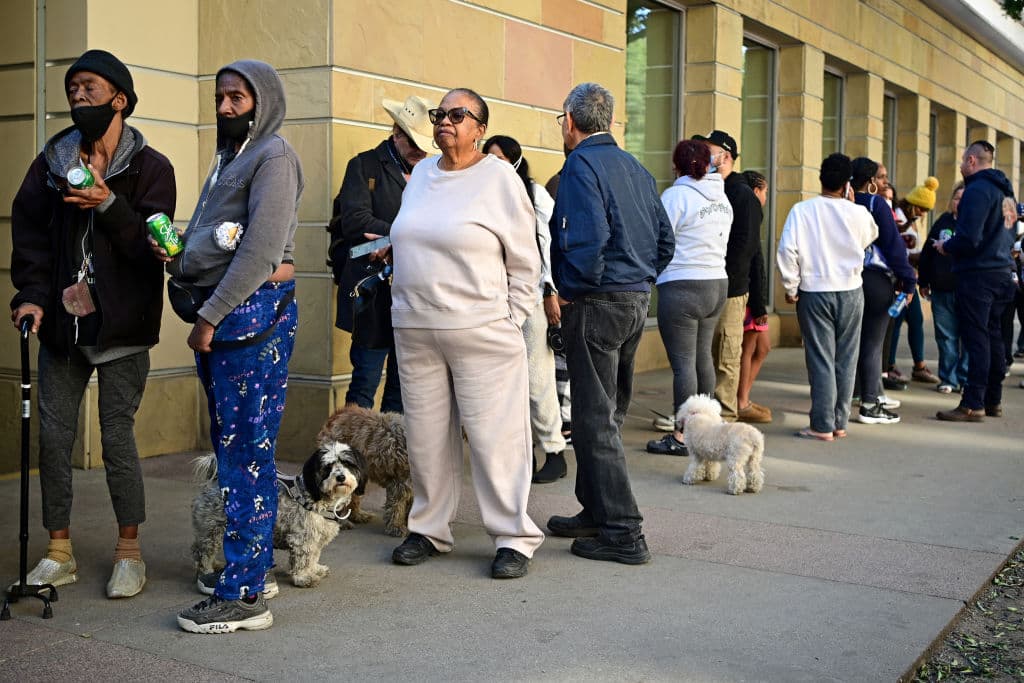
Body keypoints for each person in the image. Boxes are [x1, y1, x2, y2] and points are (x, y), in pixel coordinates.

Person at [10, 50, 176, 599]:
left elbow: (152, 248)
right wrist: (31, 296)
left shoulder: (151, 169)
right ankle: (59, 551)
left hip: (124, 328)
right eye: (72, 88)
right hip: (62, 325)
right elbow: (30, 231)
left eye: (90, 87)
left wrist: (108, 203)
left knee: (117, 440)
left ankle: (129, 552)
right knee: (54, 441)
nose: (78, 95)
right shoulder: (52, 161)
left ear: (119, 99)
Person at [161, 60, 303, 633]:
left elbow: (262, 252)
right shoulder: (232, 157)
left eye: (237, 98)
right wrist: (179, 258)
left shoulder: (274, 157)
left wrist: (210, 316)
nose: (224, 107)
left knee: (245, 451)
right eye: (220, 96)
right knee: (239, 450)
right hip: (228, 316)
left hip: (247, 319)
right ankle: (256, 566)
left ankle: (243, 594)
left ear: (262, 102)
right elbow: (214, 238)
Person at [387, 88, 543, 579]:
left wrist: (509, 320)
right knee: (426, 438)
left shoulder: (498, 179)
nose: (445, 122)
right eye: (440, 115)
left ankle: (514, 535)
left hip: (481, 329)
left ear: (479, 127)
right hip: (416, 327)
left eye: (458, 115)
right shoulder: (421, 176)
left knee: (496, 439)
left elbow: (525, 262)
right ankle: (429, 529)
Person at [547, 82, 674, 565]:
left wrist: (576, 289)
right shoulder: (634, 167)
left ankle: (623, 530)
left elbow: (587, 239)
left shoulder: (581, 164)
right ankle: (598, 511)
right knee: (605, 413)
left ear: (570, 120)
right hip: (633, 299)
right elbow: (664, 241)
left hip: (599, 301)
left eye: (561, 120)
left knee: (595, 420)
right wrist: (638, 280)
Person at [328, 95, 435, 414]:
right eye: (414, 142)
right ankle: (346, 456)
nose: (420, 150)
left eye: (424, 144)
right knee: (365, 380)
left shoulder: (430, 172)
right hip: (373, 292)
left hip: (414, 291)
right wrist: (405, 236)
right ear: (397, 133)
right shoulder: (364, 164)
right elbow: (355, 220)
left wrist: (397, 239)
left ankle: (389, 461)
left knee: (403, 386)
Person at [482, 134, 568, 484]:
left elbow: (547, 246)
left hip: (532, 298)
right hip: (495, 300)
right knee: (506, 383)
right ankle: (523, 453)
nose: (492, 165)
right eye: (488, 158)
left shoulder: (535, 195)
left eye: (499, 158)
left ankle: (554, 450)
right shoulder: (483, 194)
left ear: (515, 161)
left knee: (536, 379)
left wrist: (550, 291)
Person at [776, 154, 877, 441]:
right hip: (851, 290)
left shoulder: (802, 210)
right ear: (847, 183)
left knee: (821, 358)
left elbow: (787, 251)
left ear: (820, 178)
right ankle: (839, 421)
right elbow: (872, 235)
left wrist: (791, 286)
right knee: (847, 358)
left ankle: (821, 424)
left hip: (814, 290)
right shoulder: (858, 213)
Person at [645, 139, 730, 456]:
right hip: (716, 282)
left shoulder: (676, 195)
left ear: (677, 165)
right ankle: (706, 429)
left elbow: (658, 237)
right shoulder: (722, 197)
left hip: (682, 283)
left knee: (683, 366)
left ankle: (682, 437)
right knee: (703, 358)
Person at [934, 141, 1016, 421]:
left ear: (971, 160)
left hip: (979, 274)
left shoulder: (976, 191)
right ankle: (992, 400)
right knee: (993, 337)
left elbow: (970, 238)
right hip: (1003, 272)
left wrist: (947, 247)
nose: (960, 166)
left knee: (976, 338)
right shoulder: (1006, 192)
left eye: (962, 161)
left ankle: (972, 403)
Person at [691, 130, 762, 422]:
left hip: (729, 290)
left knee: (726, 356)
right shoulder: (706, 188)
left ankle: (726, 418)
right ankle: (700, 414)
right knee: (704, 354)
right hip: (706, 285)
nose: (704, 157)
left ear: (726, 157)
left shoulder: (741, 194)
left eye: (710, 152)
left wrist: (740, 292)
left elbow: (747, 248)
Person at [849, 157, 917, 425]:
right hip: (876, 279)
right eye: (878, 178)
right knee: (873, 343)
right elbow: (892, 245)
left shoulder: (841, 203)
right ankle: (870, 402)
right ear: (871, 182)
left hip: (845, 280)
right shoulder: (876, 204)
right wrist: (908, 279)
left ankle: (851, 394)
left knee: (849, 342)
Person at [886, 178, 941, 385]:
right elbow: (902, 254)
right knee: (896, 322)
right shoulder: (898, 219)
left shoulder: (909, 221)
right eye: (921, 209)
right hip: (898, 281)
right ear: (911, 204)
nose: (922, 214)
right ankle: (889, 365)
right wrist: (927, 255)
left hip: (909, 280)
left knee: (916, 320)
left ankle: (919, 366)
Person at [918, 183, 969, 393]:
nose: (960, 202)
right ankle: (948, 378)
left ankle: (965, 379)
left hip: (968, 290)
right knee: (946, 336)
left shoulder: (975, 224)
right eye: (957, 198)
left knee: (967, 337)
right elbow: (927, 253)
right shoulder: (942, 222)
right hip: (942, 289)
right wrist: (923, 281)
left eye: (964, 199)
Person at [736, 170, 773, 424]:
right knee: (748, 349)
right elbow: (752, 262)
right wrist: (758, 302)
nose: (766, 197)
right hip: (750, 296)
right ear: (757, 190)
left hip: (755, 295)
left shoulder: (753, 214)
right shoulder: (749, 212)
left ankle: (743, 396)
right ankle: (741, 401)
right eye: (766, 192)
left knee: (763, 347)